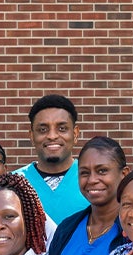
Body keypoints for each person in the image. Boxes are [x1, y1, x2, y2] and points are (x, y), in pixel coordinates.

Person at [13, 94, 89, 223]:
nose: (52, 136)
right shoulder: (14, 182)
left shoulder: (93, 180)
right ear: (31, 136)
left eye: (62, 128)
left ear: (75, 134)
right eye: (43, 129)